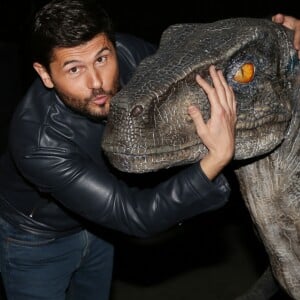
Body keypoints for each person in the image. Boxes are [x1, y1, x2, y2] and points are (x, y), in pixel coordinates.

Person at [0, 0, 297, 298]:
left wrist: (277, 35)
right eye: (74, 69)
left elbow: (199, 58)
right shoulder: (37, 142)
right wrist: (215, 158)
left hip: (98, 229)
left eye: (102, 59)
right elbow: (134, 214)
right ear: (45, 74)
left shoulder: (128, 55)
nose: (96, 83)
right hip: (38, 242)